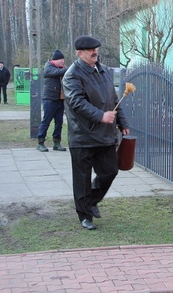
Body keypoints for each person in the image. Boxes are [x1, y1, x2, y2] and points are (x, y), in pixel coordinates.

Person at [63, 35, 130, 230]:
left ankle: (90, 201)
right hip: (82, 135)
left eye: (96, 49)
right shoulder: (72, 75)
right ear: (80, 53)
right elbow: (76, 102)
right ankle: (85, 216)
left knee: (110, 171)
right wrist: (100, 116)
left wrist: (121, 122)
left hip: (105, 135)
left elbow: (114, 99)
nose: (95, 52)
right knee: (82, 179)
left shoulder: (105, 71)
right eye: (90, 50)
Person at [37, 49, 68, 152]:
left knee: (59, 122)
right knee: (46, 121)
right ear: (55, 60)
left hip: (60, 99)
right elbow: (56, 73)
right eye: (61, 59)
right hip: (50, 99)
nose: (63, 61)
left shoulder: (61, 68)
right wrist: (70, 69)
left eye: (63, 59)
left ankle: (57, 142)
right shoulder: (48, 67)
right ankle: (40, 142)